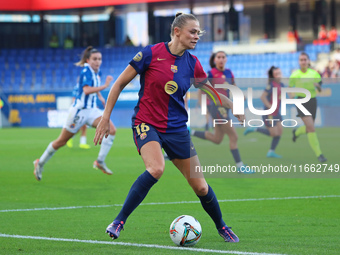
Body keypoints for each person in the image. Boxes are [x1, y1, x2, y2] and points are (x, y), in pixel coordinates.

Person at [94, 12, 244, 242]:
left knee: (201, 188)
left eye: (198, 33)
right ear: (177, 31)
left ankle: (222, 226)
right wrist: (106, 117)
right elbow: (119, 84)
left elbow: (212, 93)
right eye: (193, 32)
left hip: (177, 130)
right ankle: (118, 221)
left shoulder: (193, 63)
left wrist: (234, 106)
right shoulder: (150, 54)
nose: (196, 37)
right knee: (156, 168)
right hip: (146, 123)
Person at [33, 46, 117, 180]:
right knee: (61, 141)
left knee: (111, 129)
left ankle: (100, 161)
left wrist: (100, 97)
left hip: (92, 111)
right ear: (88, 60)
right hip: (79, 112)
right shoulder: (85, 71)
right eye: (95, 59)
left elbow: (94, 88)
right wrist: (105, 86)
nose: (98, 62)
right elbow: (87, 90)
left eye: (100, 59)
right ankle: (40, 163)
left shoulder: (97, 72)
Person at [191, 51, 247, 172]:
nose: (221, 59)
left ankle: (191, 132)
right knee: (234, 135)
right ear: (214, 60)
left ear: (226, 59)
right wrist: (203, 108)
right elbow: (201, 90)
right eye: (219, 57)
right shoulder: (211, 74)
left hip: (226, 107)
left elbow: (234, 87)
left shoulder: (229, 73)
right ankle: (240, 166)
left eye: (223, 57)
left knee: (217, 139)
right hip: (216, 107)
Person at [289, 52, 327, 162]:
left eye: (305, 59)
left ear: (308, 61)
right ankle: (319, 154)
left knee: (309, 127)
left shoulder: (314, 74)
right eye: (301, 60)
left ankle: (296, 133)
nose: (303, 62)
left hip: (312, 101)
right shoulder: (295, 75)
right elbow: (290, 88)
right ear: (299, 62)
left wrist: (318, 86)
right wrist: (291, 97)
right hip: (301, 101)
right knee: (311, 128)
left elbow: (320, 89)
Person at [244, 66, 284, 158]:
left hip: (277, 112)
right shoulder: (271, 85)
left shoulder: (281, 85)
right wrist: (271, 107)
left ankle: (271, 152)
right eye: (276, 74)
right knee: (274, 133)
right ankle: (255, 128)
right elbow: (263, 97)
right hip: (269, 113)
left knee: (280, 132)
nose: (279, 76)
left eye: (279, 73)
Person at [66, 82, 106, 149]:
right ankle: (70, 138)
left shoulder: (89, 87)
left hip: (85, 110)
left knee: (83, 127)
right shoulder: (78, 87)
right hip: (78, 110)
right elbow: (74, 98)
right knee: (77, 127)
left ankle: (82, 143)